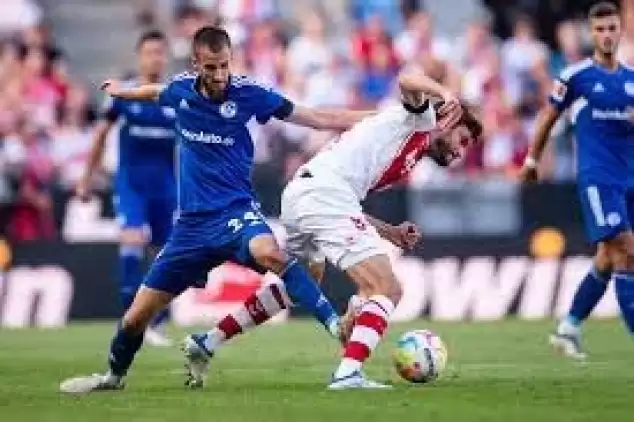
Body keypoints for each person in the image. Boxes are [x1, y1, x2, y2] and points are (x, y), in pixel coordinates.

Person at [59, 26, 371, 394]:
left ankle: (336, 327)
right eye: (211, 68)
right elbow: (156, 92)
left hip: (235, 213)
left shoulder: (250, 94)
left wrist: (388, 119)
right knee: (134, 320)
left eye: (224, 65)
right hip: (190, 228)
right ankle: (113, 377)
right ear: (196, 64)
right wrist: (123, 91)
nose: (220, 75)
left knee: (272, 253)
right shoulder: (181, 91)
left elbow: (318, 117)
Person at [182, 68, 480, 390]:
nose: (460, 152)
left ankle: (207, 342)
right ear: (446, 121)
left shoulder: (406, 152)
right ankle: (348, 372)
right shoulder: (419, 122)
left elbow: (346, 200)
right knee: (387, 287)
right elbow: (407, 77)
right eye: (461, 140)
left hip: (304, 193)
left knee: (302, 281)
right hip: (322, 195)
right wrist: (446, 94)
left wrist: (388, 231)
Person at [520, 2, 634, 359]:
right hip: (597, 179)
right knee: (628, 252)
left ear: (620, 30)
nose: (606, 35)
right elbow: (547, 117)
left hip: (628, 180)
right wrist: (532, 159)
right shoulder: (576, 77)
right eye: (599, 29)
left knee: (607, 256)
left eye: (612, 28)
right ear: (591, 32)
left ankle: (568, 328)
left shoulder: (632, 80)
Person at [76, 30, 177, 347]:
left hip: (165, 185)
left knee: (166, 253)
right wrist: (86, 177)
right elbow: (100, 135)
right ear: (140, 56)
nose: (155, 58)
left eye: (160, 52)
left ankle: (158, 322)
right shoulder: (123, 93)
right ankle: (130, 319)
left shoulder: (174, 95)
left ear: (166, 56)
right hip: (132, 183)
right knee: (132, 239)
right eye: (149, 52)